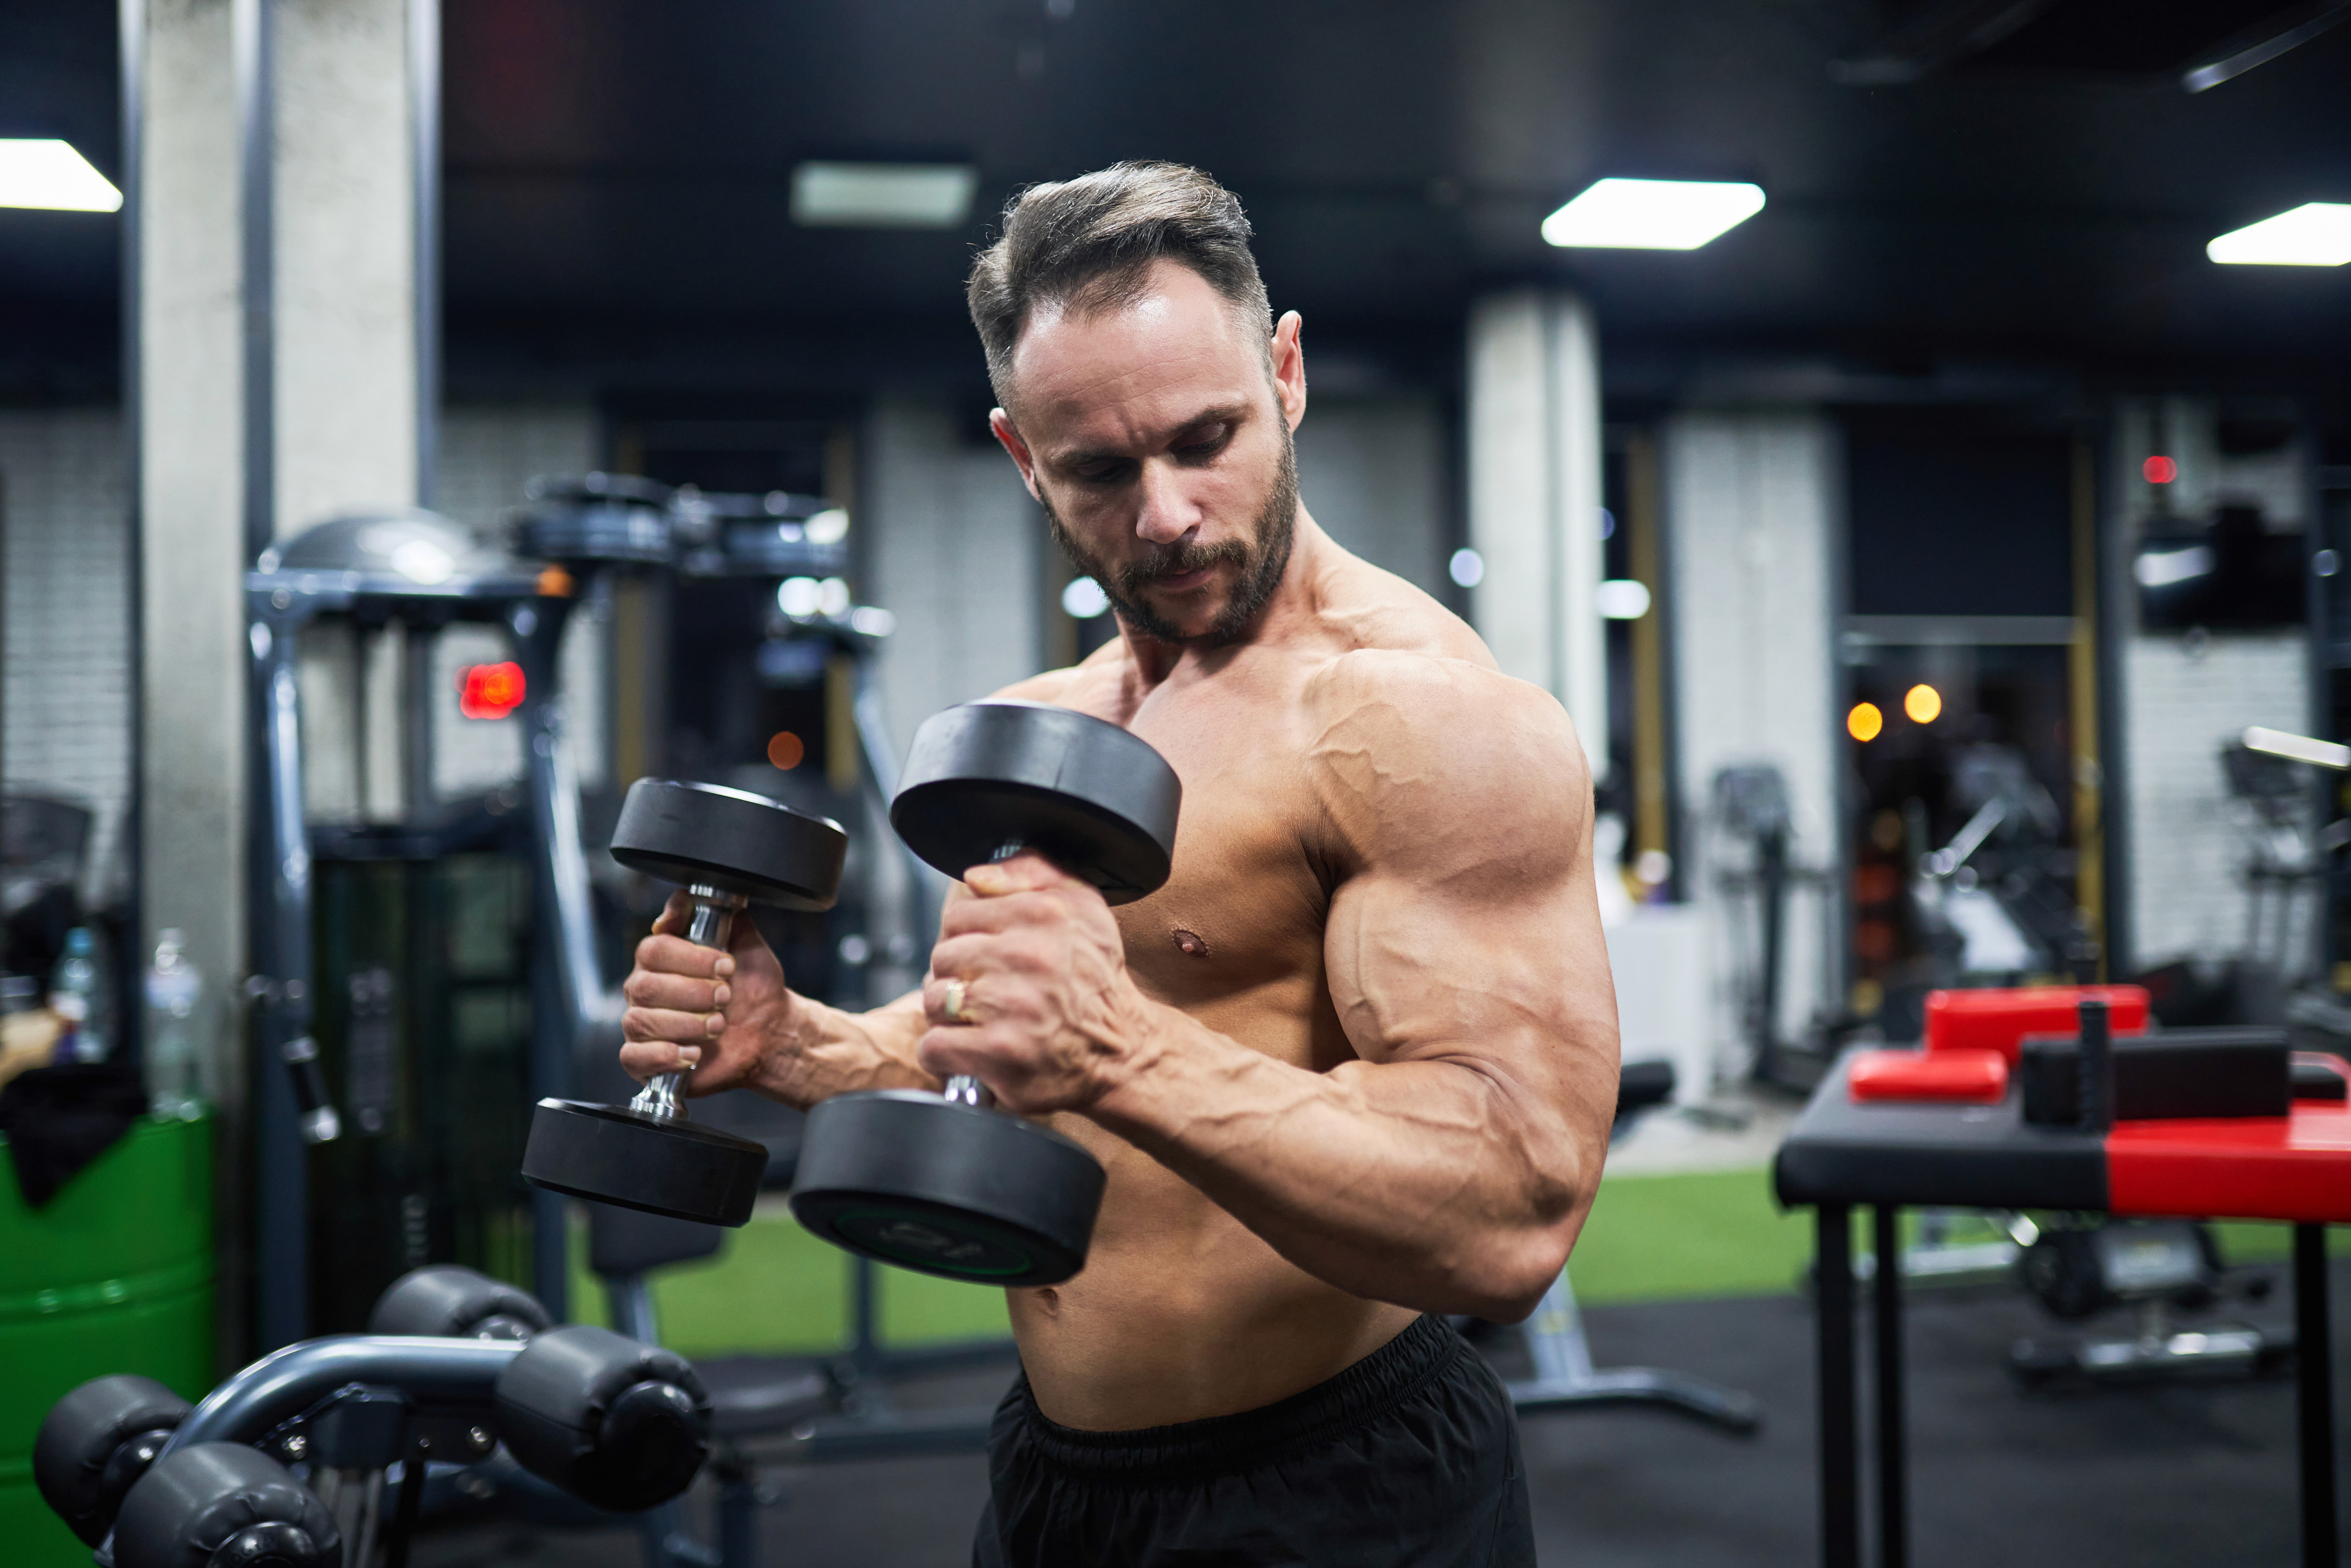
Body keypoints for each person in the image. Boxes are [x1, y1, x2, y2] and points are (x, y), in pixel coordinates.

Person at [620, 161, 1619, 1567]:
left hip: (1335, 1485)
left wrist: (1122, 1056)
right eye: (1098, 468)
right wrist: (806, 1046)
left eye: (1205, 436)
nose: (1163, 515)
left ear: (1284, 374)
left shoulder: (1414, 721)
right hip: (1054, 1482)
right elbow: (997, 1046)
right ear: (1023, 455)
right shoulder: (1048, 728)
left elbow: (1515, 1212)